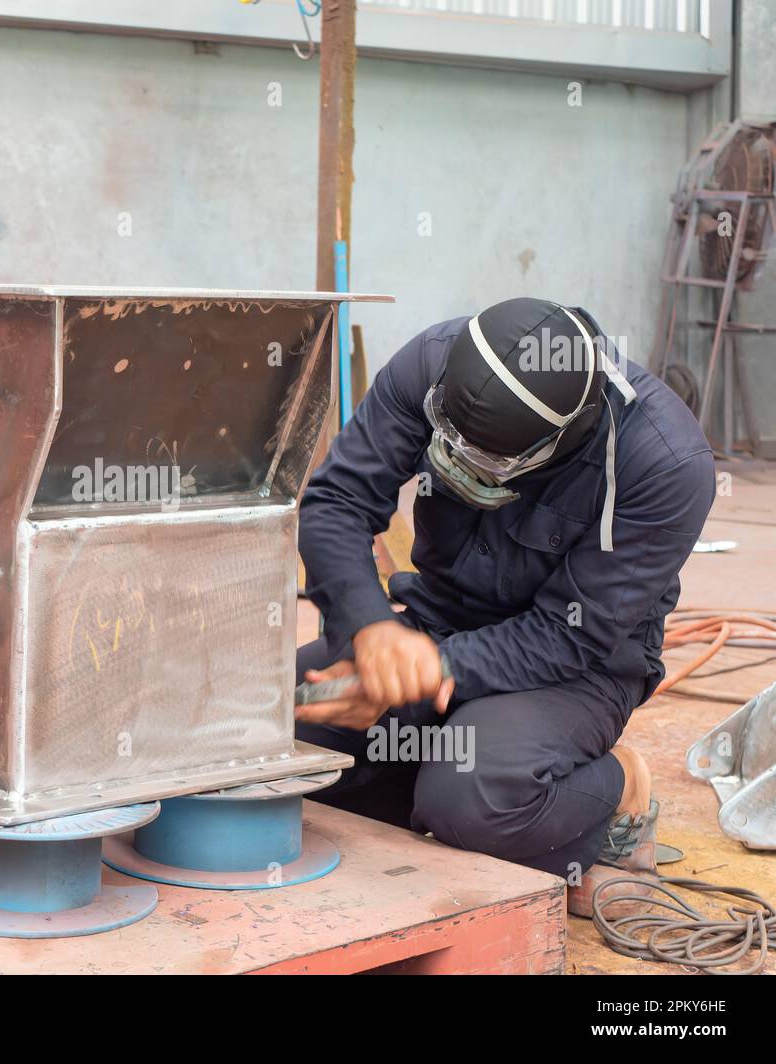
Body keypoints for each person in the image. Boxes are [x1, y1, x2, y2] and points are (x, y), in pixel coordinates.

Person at [296, 297, 714, 912]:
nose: (456, 460)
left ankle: (617, 786)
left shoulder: (666, 465)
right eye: (448, 439)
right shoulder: (431, 363)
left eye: (483, 459)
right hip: (436, 621)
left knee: (472, 799)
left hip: (575, 667)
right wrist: (372, 632)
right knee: (278, 733)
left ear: (557, 443)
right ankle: (456, 787)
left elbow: (567, 636)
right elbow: (337, 501)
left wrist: (422, 674)